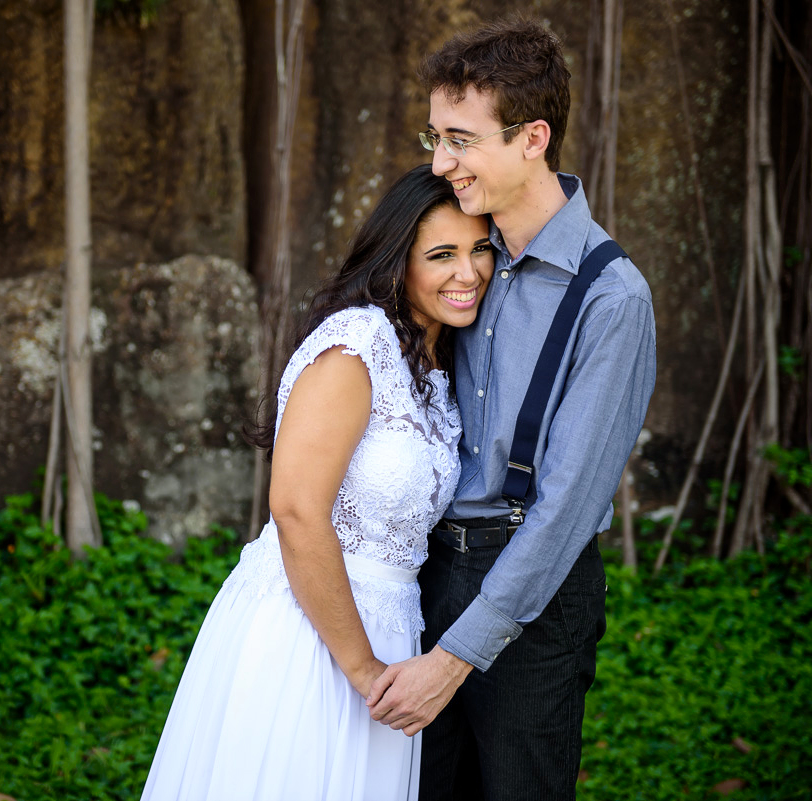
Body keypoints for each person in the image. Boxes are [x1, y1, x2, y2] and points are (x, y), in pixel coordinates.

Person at [365, 16, 657, 801]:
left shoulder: (611, 298)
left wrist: (453, 659)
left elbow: (564, 511)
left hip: (539, 592)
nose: (438, 161)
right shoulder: (459, 253)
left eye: (461, 139)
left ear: (533, 138)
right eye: (435, 135)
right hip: (428, 573)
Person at [140, 164, 494, 801]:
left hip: (391, 630)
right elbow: (298, 509)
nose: (467, 274)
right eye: (442, 255)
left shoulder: (440, 364)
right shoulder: (359, 343)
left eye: (480, 250)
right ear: (396, 261)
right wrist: (361, 668)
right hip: (307, 631)